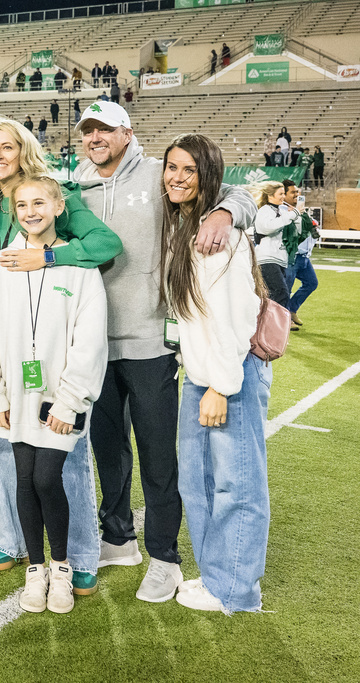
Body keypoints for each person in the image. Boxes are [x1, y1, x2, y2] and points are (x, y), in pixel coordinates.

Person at [73, 101, 256, 602]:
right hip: (94, 343)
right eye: (88, 130)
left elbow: (235, 191)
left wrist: (224, 211)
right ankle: (118, 537)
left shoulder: (159, 173)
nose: (95, 138)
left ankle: (164, 557)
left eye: (105, 129)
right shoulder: (76, 185)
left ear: (127, 133)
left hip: (152, 342)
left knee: (158, 458)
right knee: (107, 451)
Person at [0, 116, 122, 595]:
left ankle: (77, 554)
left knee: (65, 463)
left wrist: (49, 258)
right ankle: (18, 543)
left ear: (23, 149)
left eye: (7, 146)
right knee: (10, 458)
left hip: (56, 351)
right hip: (10, 355)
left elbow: (106, 245)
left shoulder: (59, 196)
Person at [158, 134, 271, 613]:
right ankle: (216, 575)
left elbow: (235, 318)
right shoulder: (187, 226)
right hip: (201, 374)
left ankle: (237, 590)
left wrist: (221, 386)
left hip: (229, 375)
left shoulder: (217, 236)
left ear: (208, 177)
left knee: (236, 484)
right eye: (171, 167)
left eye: (189, 170)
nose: (177, 178)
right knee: (199, 482)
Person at [248, 180, 300, 310]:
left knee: (273, 296)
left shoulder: (282, 212)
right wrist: (291, 215)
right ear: (270, 196)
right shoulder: (264, 211)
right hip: (267, 259)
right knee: (280, 293)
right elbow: (267, 228)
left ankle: (266, 326)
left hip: (280, 259)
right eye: (281, 194)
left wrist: (297, 216)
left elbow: (294, 234)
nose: (284, 196)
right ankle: (274, 327)